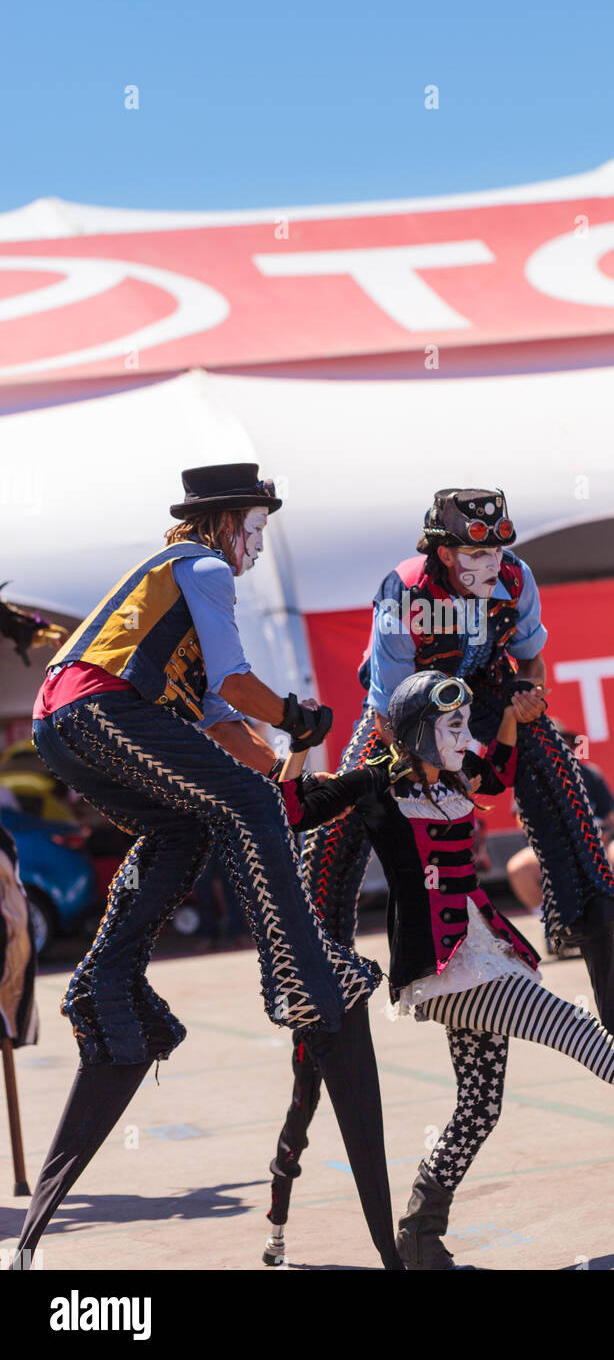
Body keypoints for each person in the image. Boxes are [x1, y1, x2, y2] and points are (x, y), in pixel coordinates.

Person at [11, 463, 401, 1272]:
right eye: (254, 527)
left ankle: (110, 978)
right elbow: (235, 683)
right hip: (94, 708)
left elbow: (225, 725)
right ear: (226, 523)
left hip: (67, 721)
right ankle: (294, 973)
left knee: (191, 829)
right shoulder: (205, 568)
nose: (258, 545)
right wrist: (298, 715)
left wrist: (292, 766)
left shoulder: (174, 594)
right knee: (245, 812)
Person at [272, 671, 614, 1270]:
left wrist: (512, 717)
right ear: (416, 732)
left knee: (480, 1104)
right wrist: (300, 741)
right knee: (573, 1025)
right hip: (442, 969)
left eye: (465, 724)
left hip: (485, 951)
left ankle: (419, 1230)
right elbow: (294, 809)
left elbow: (501, 773)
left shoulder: (459, 778)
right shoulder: (376, 784)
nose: (464, 736)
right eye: (452, 726)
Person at [275, 488, 614, 1254]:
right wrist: (407, 766)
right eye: (475, 554)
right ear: (441, 552)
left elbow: (529, 660)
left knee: (559, 783)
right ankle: (307, 971)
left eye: (498, 551)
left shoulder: (516, 580)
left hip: (480, 708)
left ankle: (587, 906)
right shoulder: (404, 590)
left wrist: (525, 704)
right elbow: (390, 696)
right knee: (322, 861)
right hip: (406, 718)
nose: (490, 565)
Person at [507, 722, 614, 950]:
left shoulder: (589, 773)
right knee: (518, 867)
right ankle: (547, 917)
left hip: (595, 846)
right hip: (551, 849)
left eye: (562, 741)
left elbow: (612, 815)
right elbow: (521, 819)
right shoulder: (529, 777)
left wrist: (602, 834)